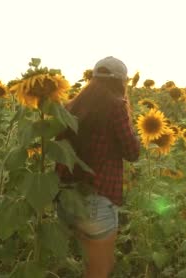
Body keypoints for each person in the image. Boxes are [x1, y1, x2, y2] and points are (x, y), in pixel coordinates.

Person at [55, 56, 140, 278]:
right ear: (122, 82)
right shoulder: (116, 107)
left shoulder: (70, 107)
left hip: (66, 201)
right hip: (97, 200)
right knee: (99, 270)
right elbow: (132, 153)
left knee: (81, 266)